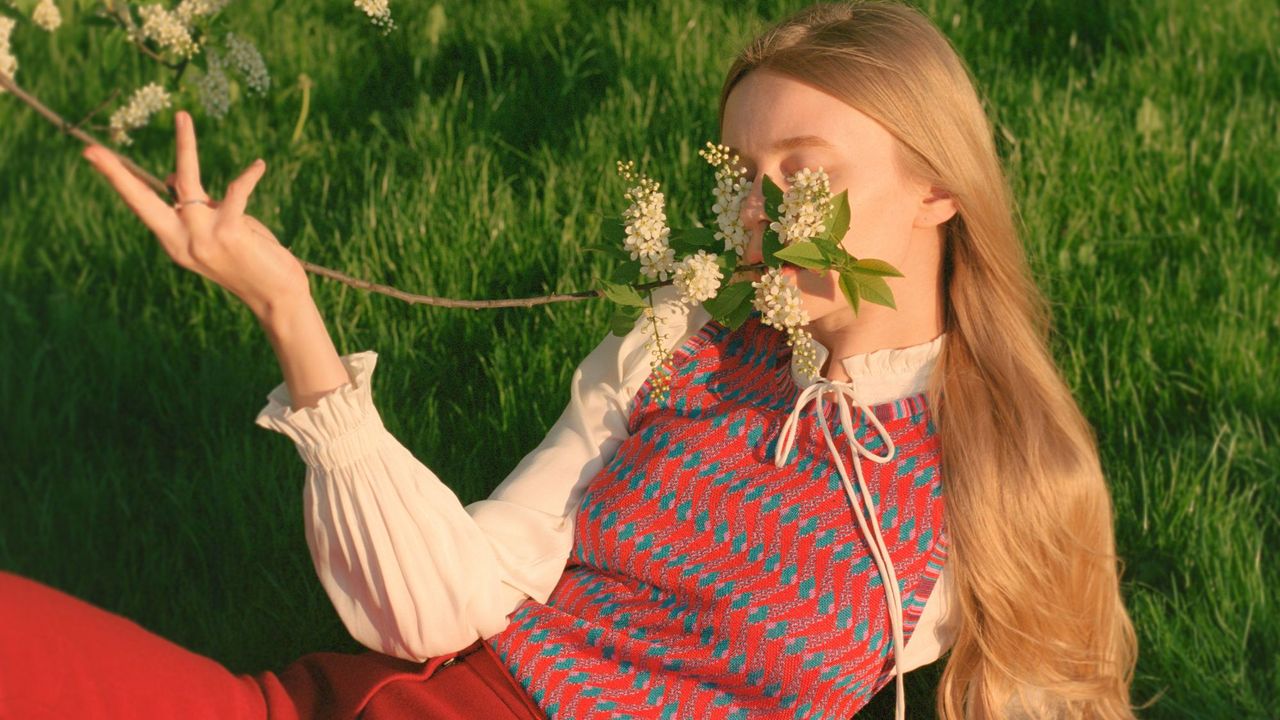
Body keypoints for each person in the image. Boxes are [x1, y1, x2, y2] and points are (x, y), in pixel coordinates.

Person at [0, 1, 1138, 718]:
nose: (758, 206)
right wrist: (291, 313)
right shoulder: (672, 348)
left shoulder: (1005, 466)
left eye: (806, 168)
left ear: (937, 188)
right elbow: (437, 610)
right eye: (742, 173)